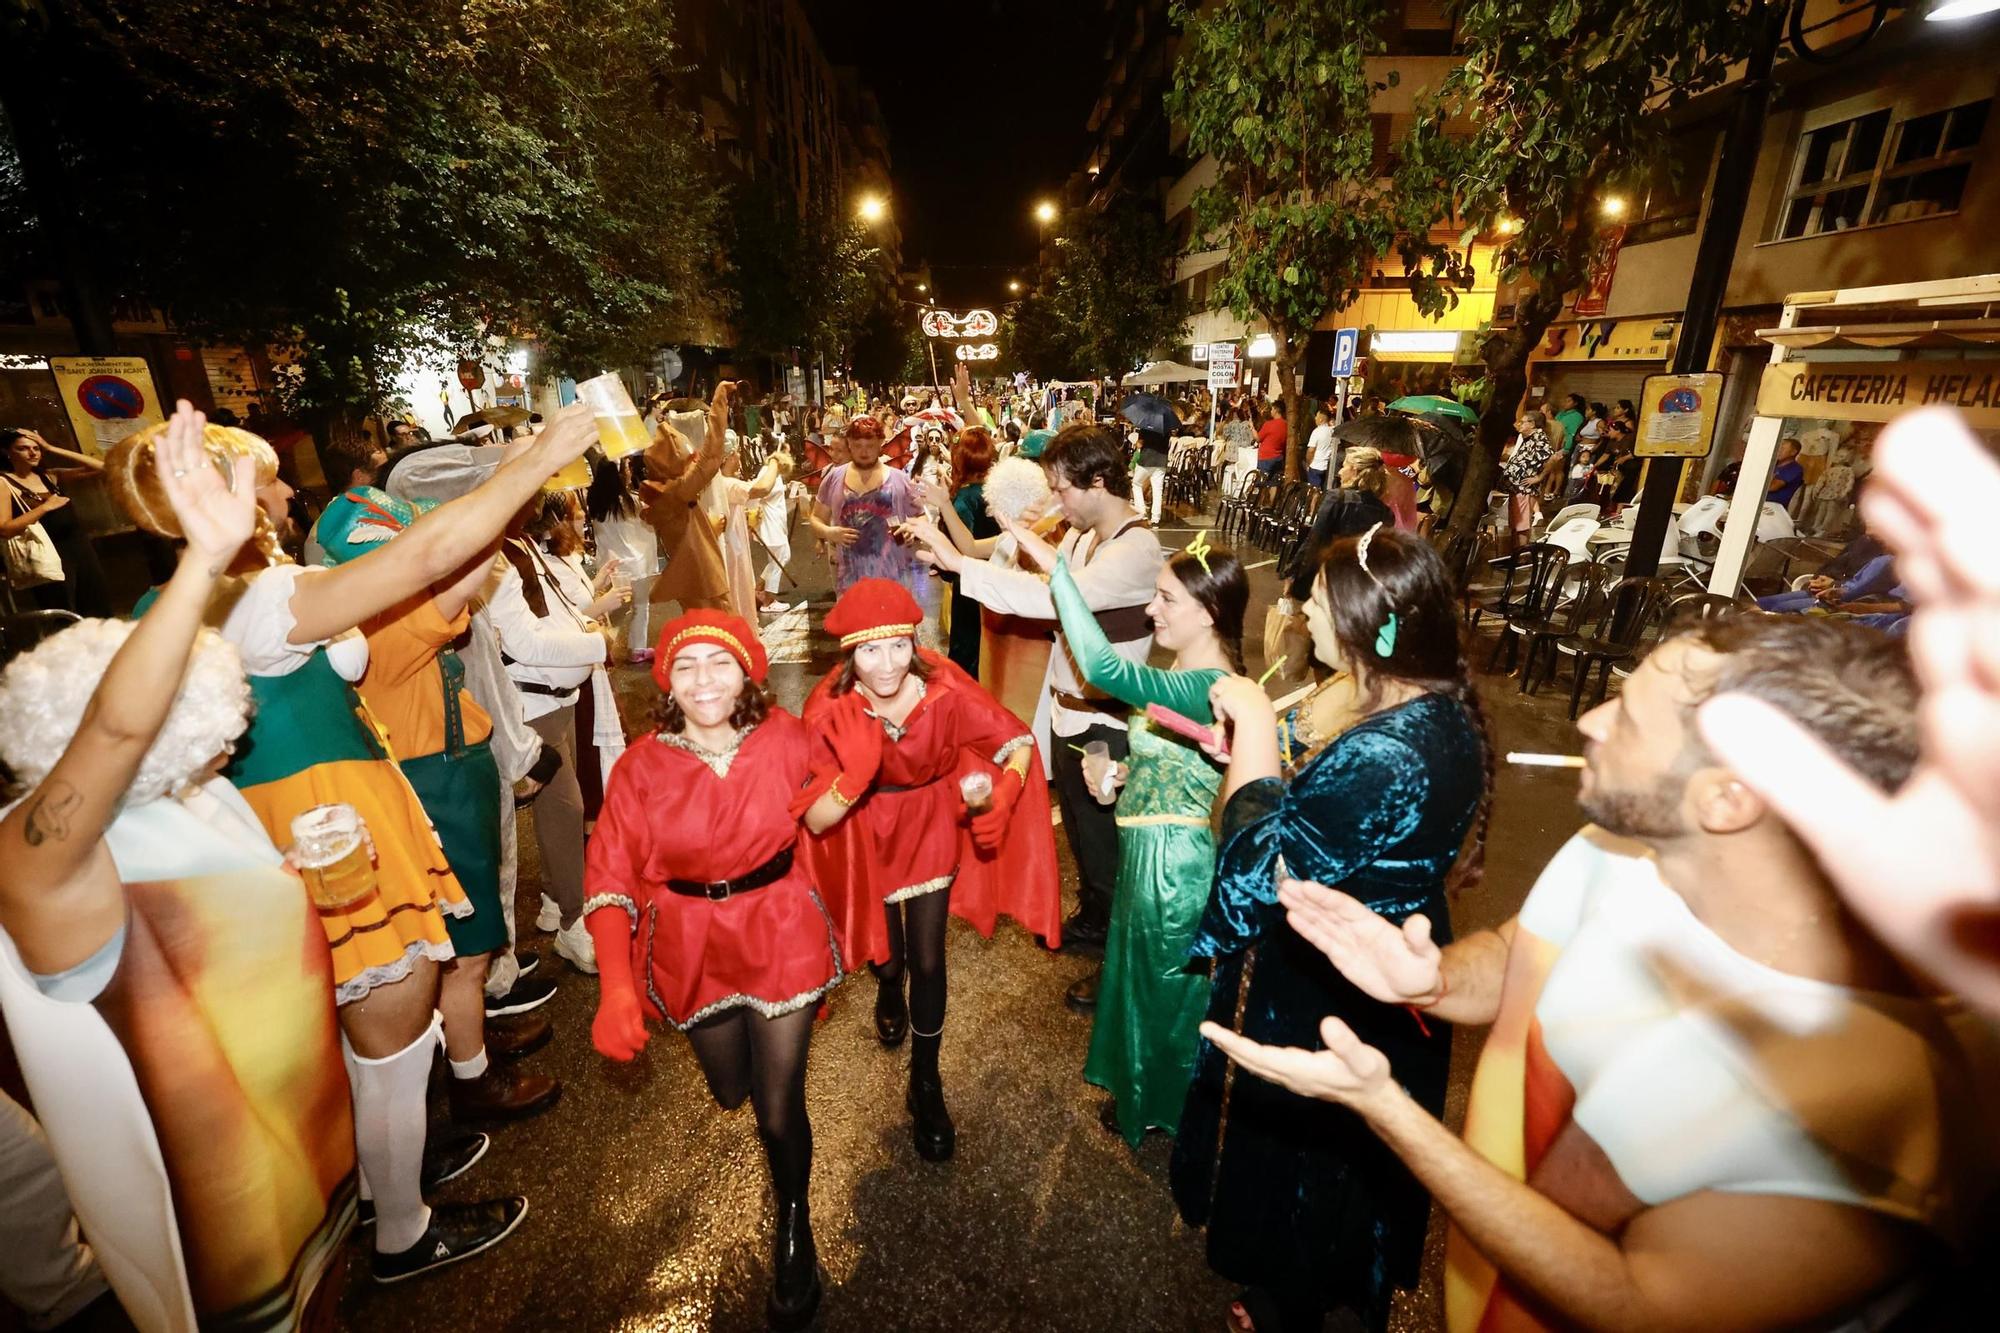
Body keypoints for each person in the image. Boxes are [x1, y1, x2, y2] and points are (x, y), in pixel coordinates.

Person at [1209, 611, 1993, 1332]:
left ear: (1726, 798)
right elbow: (1524, 949)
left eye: (1628, 715)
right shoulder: (1619, 851)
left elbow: (1640, 1303)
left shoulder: (1864, 1090)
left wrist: (1389, 1111)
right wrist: (1434, 980)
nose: (1589, 719)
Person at [100, 402, 597, 1280]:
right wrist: (535, 461)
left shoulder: (172, 599)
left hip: (301, 817)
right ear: (225, 497)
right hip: (336, 826)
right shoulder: (258, 599)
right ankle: (401, 1228)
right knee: (392, 1046)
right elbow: (423, 557)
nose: (290, 488)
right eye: (269, 477)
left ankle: (384, 1179)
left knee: (367, 1040)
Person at [0, 409, 369, 1326]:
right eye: (210, 735)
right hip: (209, 1218)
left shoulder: (193, 800)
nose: (230, 750)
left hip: (300, 1162)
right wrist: (205, 559)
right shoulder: (43, 861)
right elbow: (118, 728)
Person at [1173, 526, 1491, 1333]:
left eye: (1312, 597)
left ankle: (1291, 1303)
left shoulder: (1388, 749)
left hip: (1341, 971)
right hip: (1393, 950)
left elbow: (1258, 865)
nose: (1299, 608)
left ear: (1360, 620)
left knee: (1312, 1155)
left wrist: (1248, 725)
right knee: (1350, 1156)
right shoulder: (1440, 712)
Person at [583, 611, 847, 1330]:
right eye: (688, 664)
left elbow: (840, 779)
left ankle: (794, 1222)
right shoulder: (640, 766)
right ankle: (759, 1103)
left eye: (720, 663)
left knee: (777, 1105)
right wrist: (615, 985)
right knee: (731, 1088)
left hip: (779, 923)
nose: (705, 680)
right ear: (667, 678)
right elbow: (607, 872)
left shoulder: (785, 735)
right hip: (691, 941)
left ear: (747, 672)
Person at [1696, 407, 2000, 1018]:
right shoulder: (1880, 556)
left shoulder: (1927, 618)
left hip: (1886, 642)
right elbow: (1858, 594)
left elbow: (1874, 608)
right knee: (1782, 603)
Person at [313, 487, 562, 1123]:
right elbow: (468, 567)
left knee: (461, 941)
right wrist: (513, 487)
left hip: (452, 772)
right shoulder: (382, 622)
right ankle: (473, 1079)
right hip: (437, 783)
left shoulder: (367, 615)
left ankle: (467, 1042)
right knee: (464, 945)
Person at [798, 579, 1061, 1161]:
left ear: (913, 642)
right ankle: (887, 988)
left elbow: (1015, 740)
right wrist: (851, 777)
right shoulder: (827, 708)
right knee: (888, 959)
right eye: (870, 649)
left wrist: (1006, 795)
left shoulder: (944, 690)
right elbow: (810, 813)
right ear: (849, 654)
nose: (886, 663)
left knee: (929, 957)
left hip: (928, 826)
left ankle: (926, 1080)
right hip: (862, 830)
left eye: (897, 645)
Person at [911, 425, 1165, 981]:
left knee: (1106, 845)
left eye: (1063, 489)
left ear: (1099, 481)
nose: (1057, 502)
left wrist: (961, 566)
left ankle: (1119, 961)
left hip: (1105, 720)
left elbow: (1055, 599)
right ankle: (1097, 921)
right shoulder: (1080, 538)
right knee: (1080, 831)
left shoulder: (1137, 548)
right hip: (1067, 710)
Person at [1051, 535, 1246, 1144]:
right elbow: (1179, 765)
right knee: (1140, 982)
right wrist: (1120, 774)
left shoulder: (1208, 683)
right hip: (1146, 853)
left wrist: (1053, 566)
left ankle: (1168, 1104)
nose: (1150, 611)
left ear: (1208, 612)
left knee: (1167, 995)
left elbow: (1103, 668)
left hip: (1174, 865)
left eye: (1165, 599)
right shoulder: (1181, 672)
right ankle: (1145, 1093)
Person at [492, 491, 630, 974]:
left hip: (553, 694)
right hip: (532, 699)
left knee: (558, 811)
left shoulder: (517, 544)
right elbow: (522, 639)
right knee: (565, 808)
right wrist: (594, 642)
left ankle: (555, 902)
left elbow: (551, 614)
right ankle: (574, 924)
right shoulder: (496, 556)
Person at [642, 386, 733, 617]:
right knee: (722, 637)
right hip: (703, 582)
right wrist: (720, 399)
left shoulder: (665, 493)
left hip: (695, 582)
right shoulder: (678, 491)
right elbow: (710, 458)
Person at [2, 426, 111, 616]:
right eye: (23, 448)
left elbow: (103, 468)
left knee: (97, 605)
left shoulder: (50, 476)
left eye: (36, 448)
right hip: (47, 553)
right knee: (64, 612)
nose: (32, 452)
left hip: (79, 547)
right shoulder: (4, 482)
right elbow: (5, 529)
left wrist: (51, 448)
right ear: (7, 452)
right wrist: (45, 507)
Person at [810, 416, 923, 596]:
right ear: (849, 444)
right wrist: (829, 532)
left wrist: (912, 530)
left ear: (880, 443)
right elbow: (816, 518)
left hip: (894, 582)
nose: (864, 452)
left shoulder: (899, 479)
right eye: (857, 446)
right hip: (850, 583)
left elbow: (922, 517)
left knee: (893, 625)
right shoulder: (833, 478)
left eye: (869, 446)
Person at [1281, 446, 1394, 603]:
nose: (1339, 472)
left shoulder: (1337, 498)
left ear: (1354, 471)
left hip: (1330, 576)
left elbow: (1315, 539)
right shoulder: (1385, 513)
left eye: (1344, 465)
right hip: (1359, 585)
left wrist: (1293, 573)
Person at [586, 456, 659, 661]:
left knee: (614, 607)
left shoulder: (595, 502)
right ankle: (637, 650)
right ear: (617, 474)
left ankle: (604, 642)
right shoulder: (630, 501)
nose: (629, 471)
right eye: (626, 468)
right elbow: (651, 516)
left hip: (612, 566)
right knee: (640, 607)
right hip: (638, 564)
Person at [1499, 410, 1553, 552]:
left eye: (1522, 422)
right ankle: (1516, 551)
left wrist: (1539, 477)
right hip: (1516, 487)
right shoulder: (1528, 438)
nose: (1519, 425)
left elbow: (1553, 458)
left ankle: (1520, 554)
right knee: (1516, 522)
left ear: (1532, 424)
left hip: (1523, 487)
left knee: (1521, 523)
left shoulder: (1539, 438)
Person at [1132, 426, 1172, 524]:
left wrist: (1136, 443)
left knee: (1136, 483)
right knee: (1157, 490)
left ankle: (1142, 513)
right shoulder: (1166, 428)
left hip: (1146, 461)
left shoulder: (1145, 427)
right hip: (1161, 461)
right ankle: (1156, 518)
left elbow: (1140, 444)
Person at [1769, 436, 1808, 510]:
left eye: (1782, 448)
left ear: (1793, 452)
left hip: (1773, 507)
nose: (1778, 451)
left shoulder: (1794, 468)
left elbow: (1771, 487)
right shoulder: (1773, 464)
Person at [1304, 405, 1337, 490]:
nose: (1315, 418)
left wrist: (1308, 463)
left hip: (1316, 465)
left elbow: (1311, 450)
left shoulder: (1316, 432)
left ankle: (1314, 503)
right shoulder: (1333, 431)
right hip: (1328, 465)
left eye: (1316, 416)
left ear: (1321, 419)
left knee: (1314, 490)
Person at [1255, 401, 1288, 481]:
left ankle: (1263, 493)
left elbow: (1258, 438)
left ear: (1276, 410)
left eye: (1272, 409)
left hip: (1266, 457)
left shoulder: (1269, 424)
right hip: (1278, 457)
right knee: (1274, 482)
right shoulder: (1286, 424)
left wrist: (1252, 428)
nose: (1271, 411)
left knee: (1262, 481)